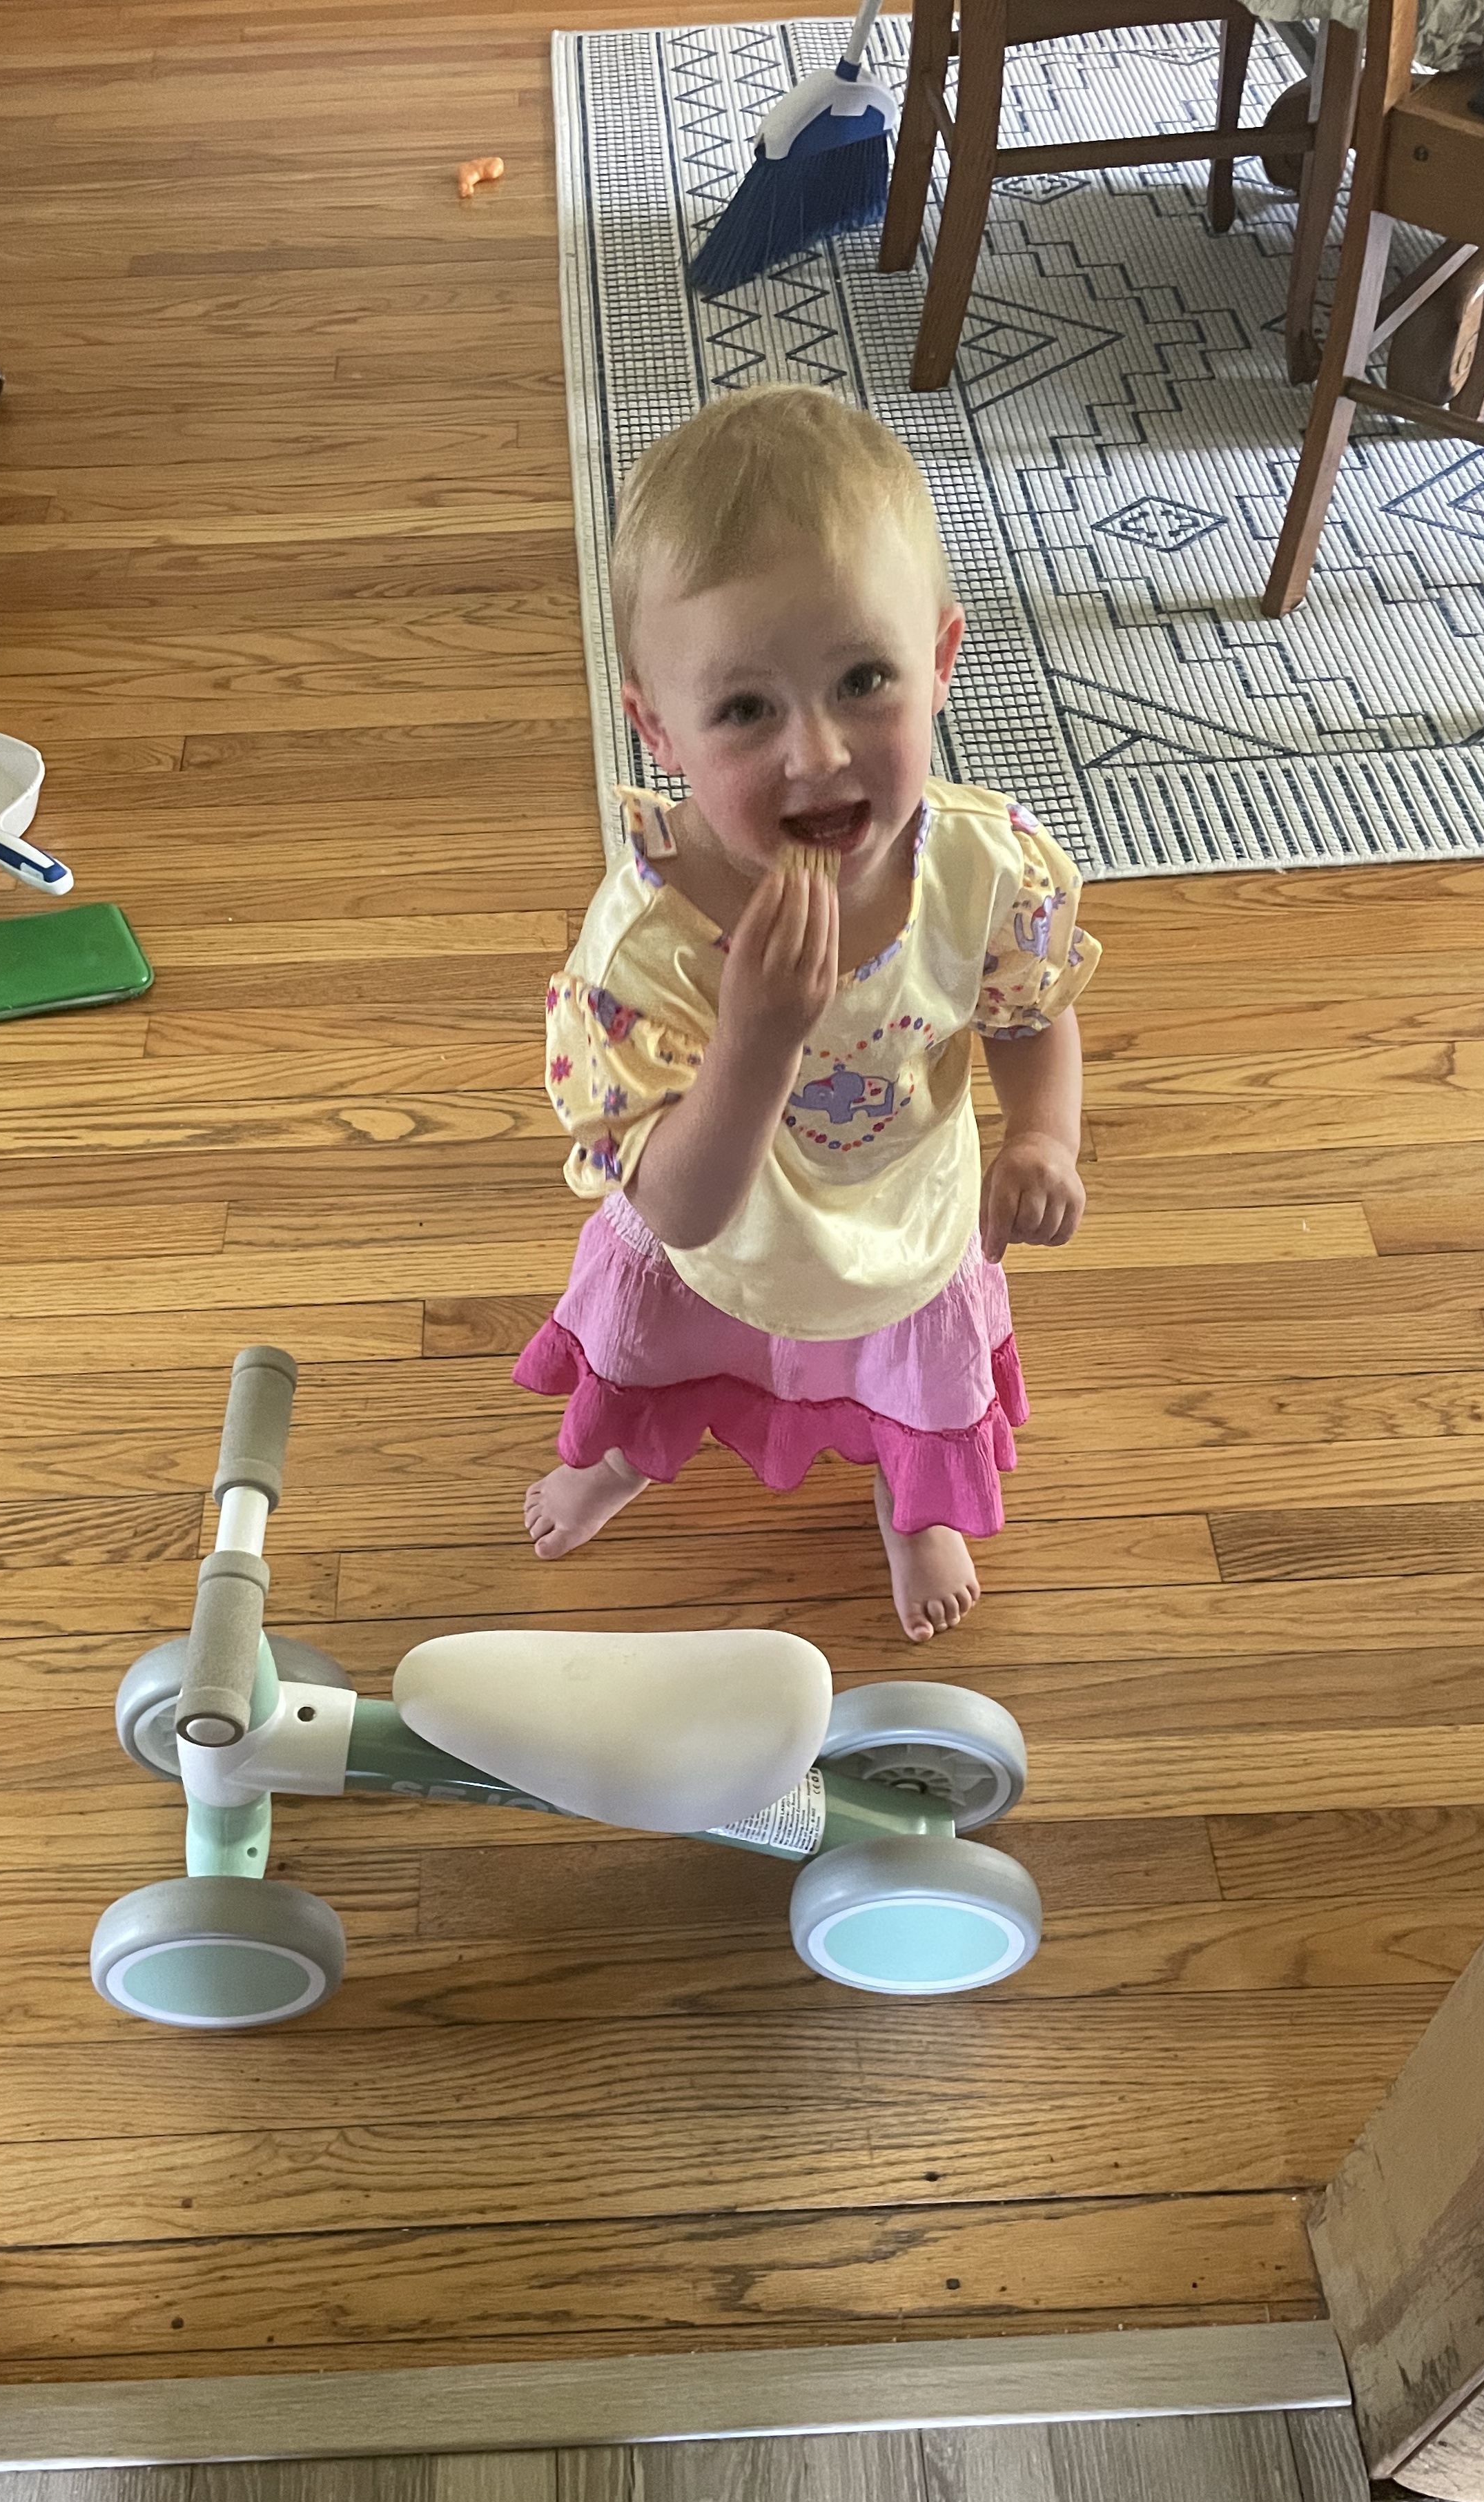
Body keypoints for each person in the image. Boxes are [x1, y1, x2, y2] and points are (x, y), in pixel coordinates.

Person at [514, 385, 1097, 1643]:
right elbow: (680, 1209)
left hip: (908, 1216)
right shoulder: (648, 948)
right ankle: (622, 1456)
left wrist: (1045, 1137)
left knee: (915, 1372)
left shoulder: (988, 869)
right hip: (723, 1234)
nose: (819, 752)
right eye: (746, 709)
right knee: (661, 1352)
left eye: (864, 679)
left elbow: (1026, 1011)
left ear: (939, 664)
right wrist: (758, 1037)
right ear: (657, 728)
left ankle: (912, 1496)